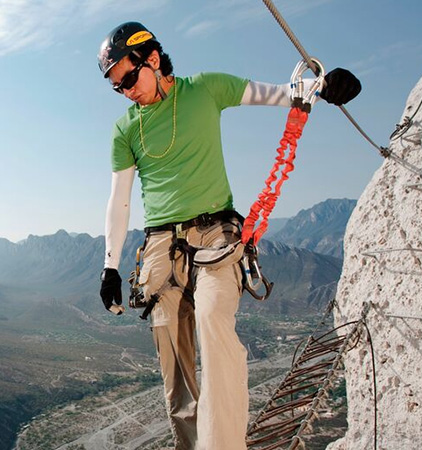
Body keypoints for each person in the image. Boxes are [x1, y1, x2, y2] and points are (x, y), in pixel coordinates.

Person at [96, 22, 360, 449]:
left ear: (153, 59)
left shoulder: (205, 89)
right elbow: (119, 201)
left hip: (215, 235)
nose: (126, 91)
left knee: (213, 323)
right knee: (176, 375)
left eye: (128, 77)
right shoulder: (126, 129)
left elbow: (277, 93)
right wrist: (110, 267)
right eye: (116, 86)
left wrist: (323, 86)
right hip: (162, 250)